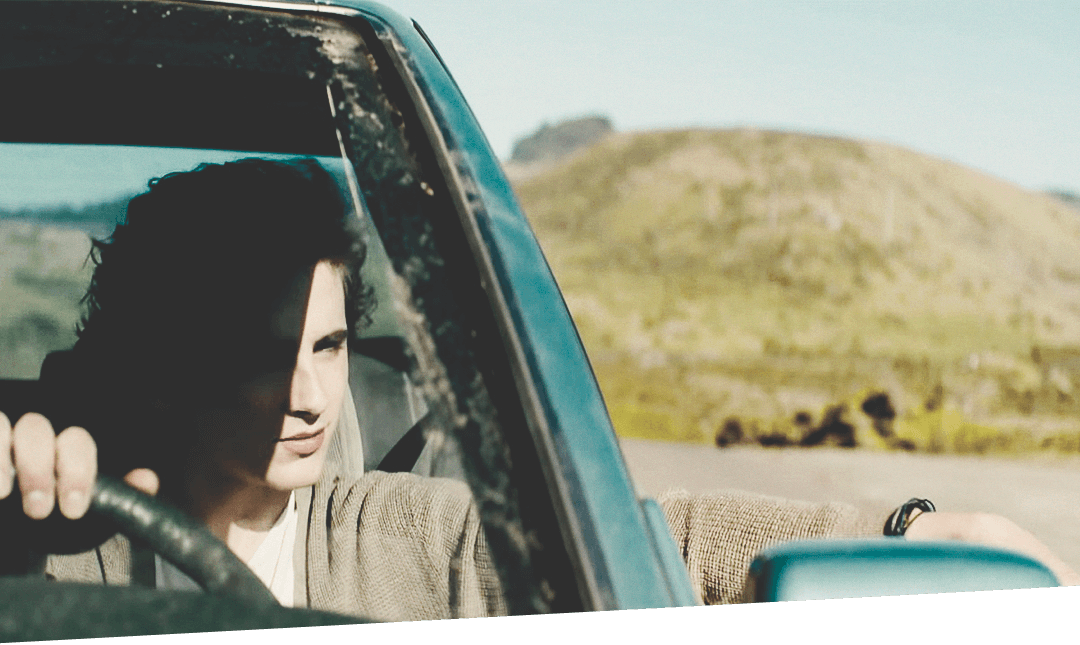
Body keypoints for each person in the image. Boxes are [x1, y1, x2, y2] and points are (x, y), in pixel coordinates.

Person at [1, 159, 1076, 620]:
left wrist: (913, 531)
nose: (311, 394)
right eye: (264, 352)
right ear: (166, 357)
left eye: (329, 345)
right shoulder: (55, 540)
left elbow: (668, 542)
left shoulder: (393, 537)